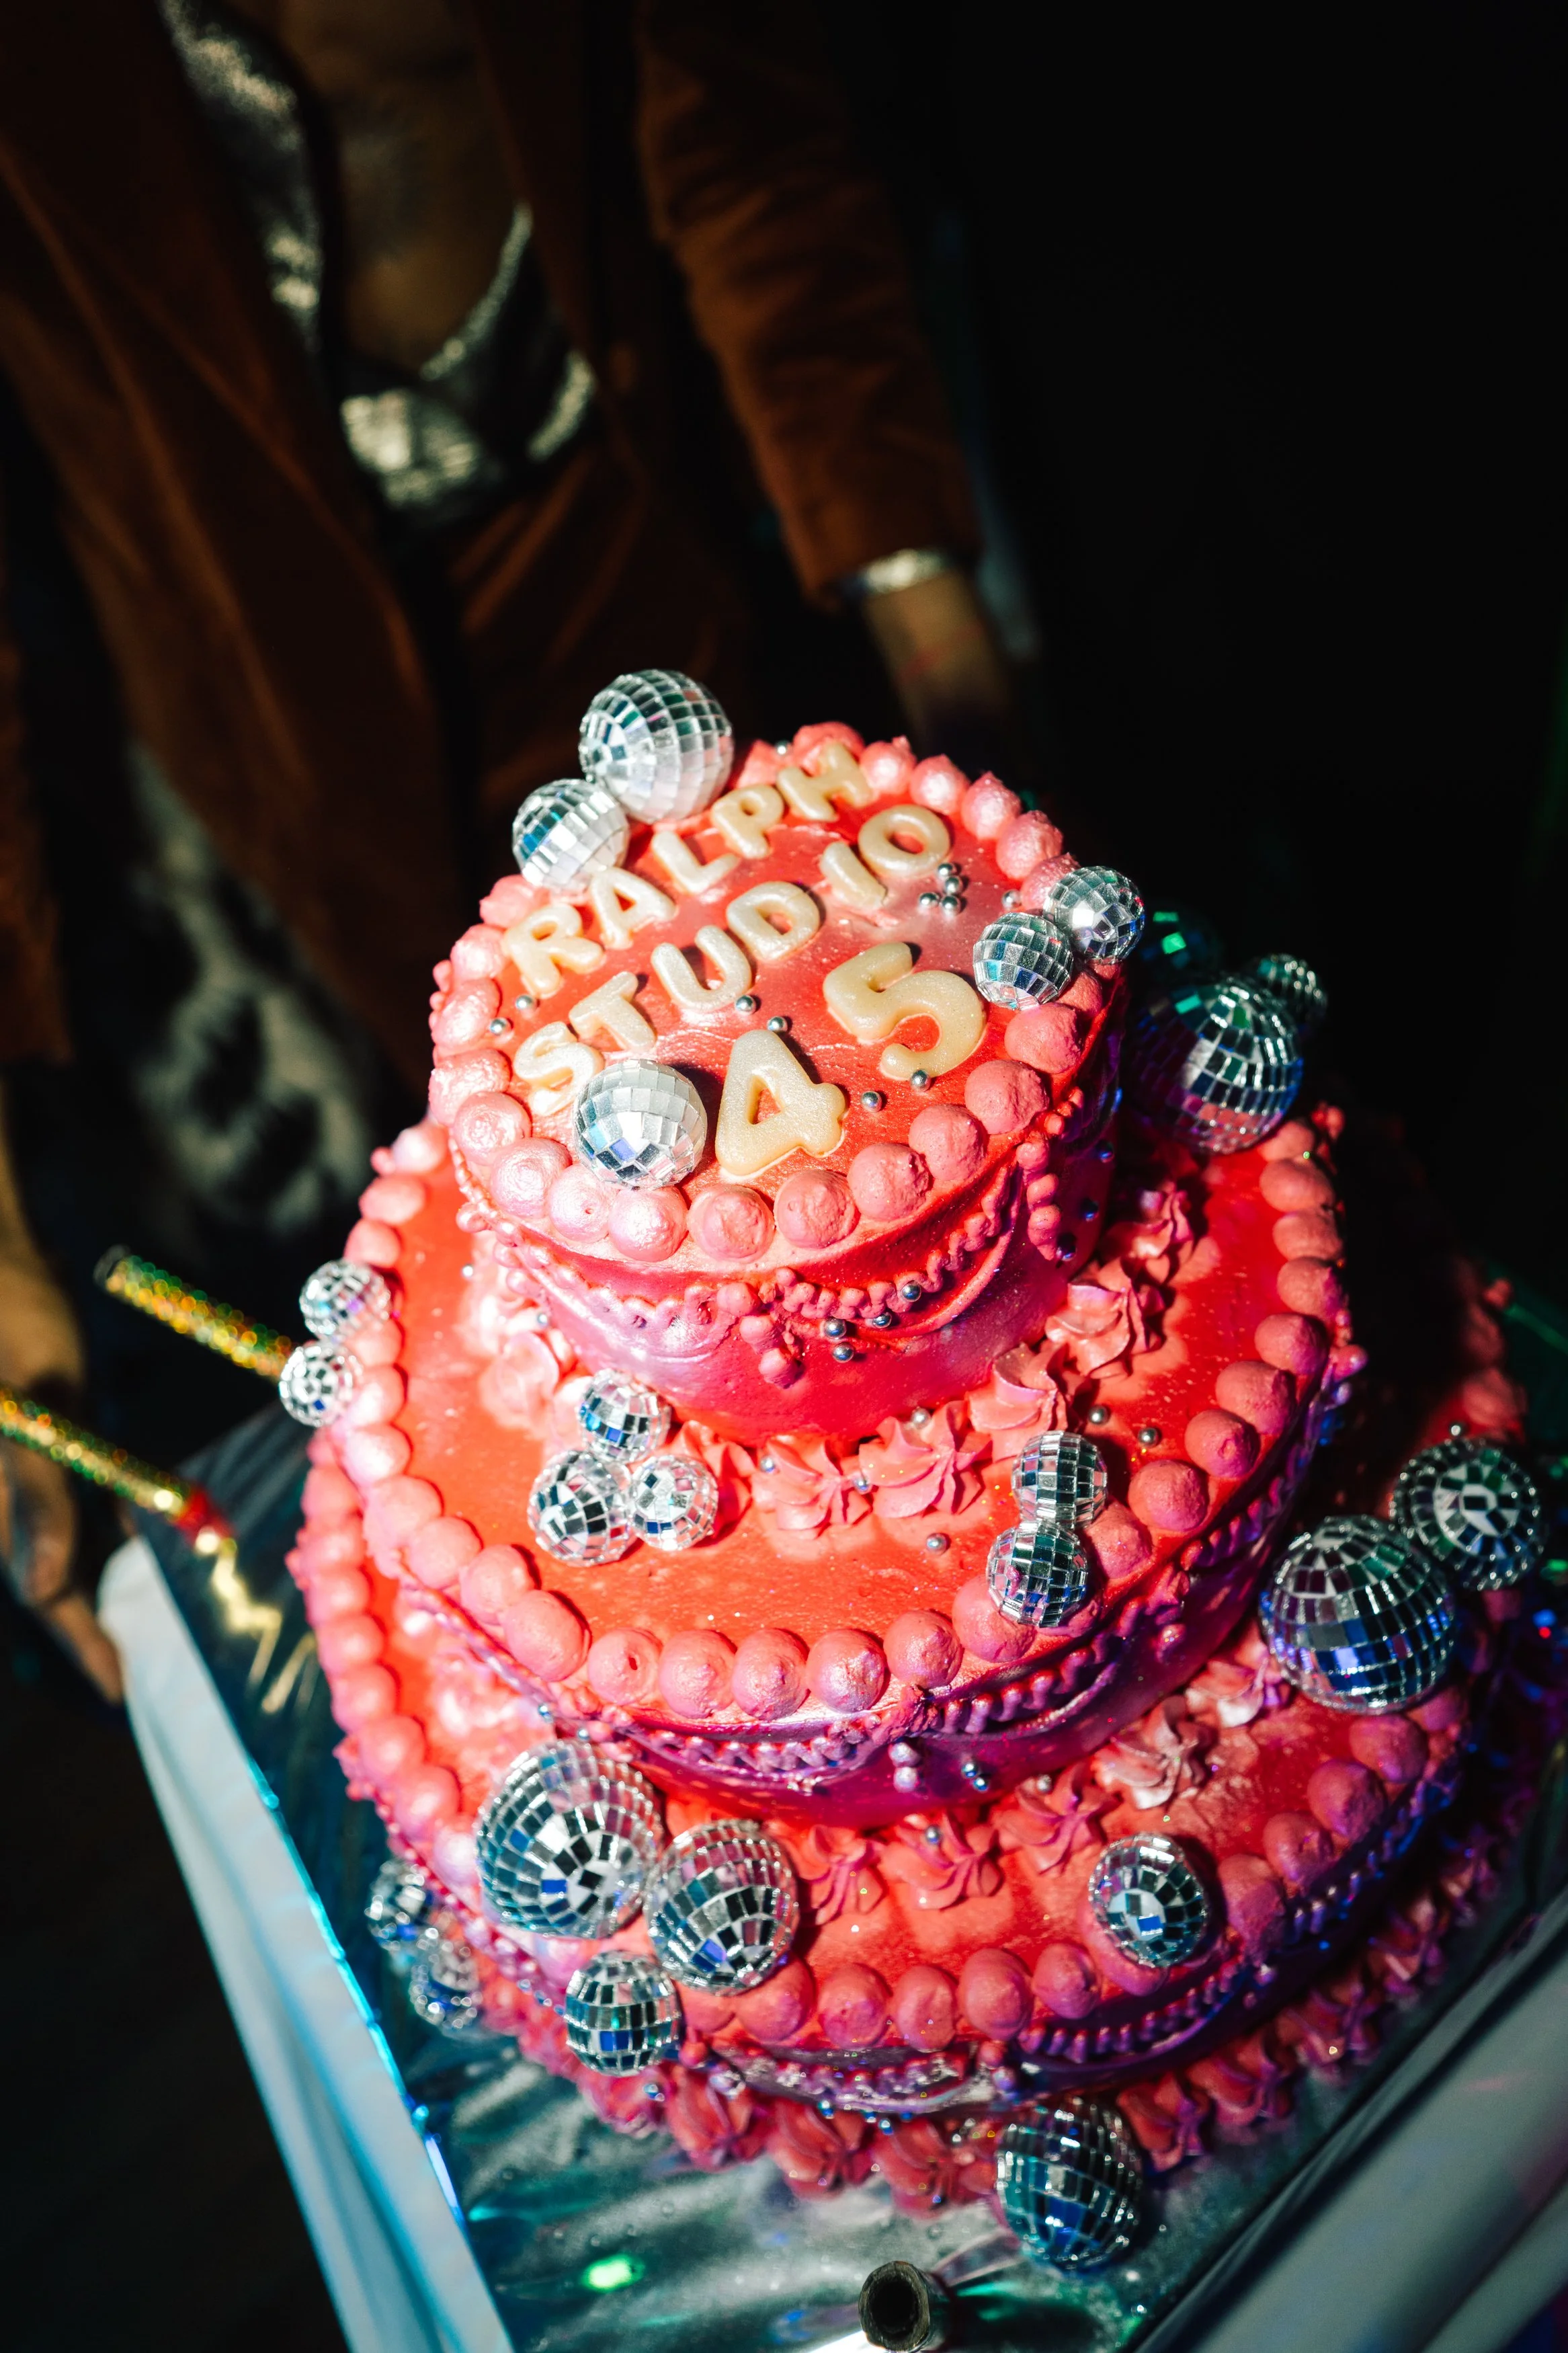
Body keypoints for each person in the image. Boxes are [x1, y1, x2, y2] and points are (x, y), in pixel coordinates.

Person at [0, 0, 1019, 1696]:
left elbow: (750, 153)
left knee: (835, 1225)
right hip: (287, 745)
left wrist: (946, 658)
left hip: (654, 611)